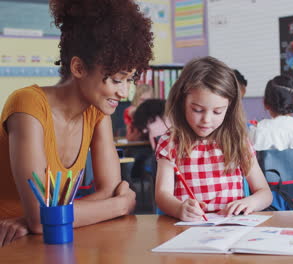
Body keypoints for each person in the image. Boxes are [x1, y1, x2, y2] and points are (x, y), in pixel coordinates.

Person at [0, 0, 153, 246]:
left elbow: (110, 190)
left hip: (54, 239)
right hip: (10, 243)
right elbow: (41, 219)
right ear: (79, 67)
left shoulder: (97, 112)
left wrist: (42, 218)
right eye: (116, 80)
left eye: (129, 80)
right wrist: (120, 205)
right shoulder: (27, 105)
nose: (124, 92)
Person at [155, 56, 272, 221]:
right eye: (197, 110)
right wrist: (179, 208)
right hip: (188, 231)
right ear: (182, 102)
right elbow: (162, 195)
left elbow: (265, 193)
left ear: (229, 109)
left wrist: (251, 202)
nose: (206, 120)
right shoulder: (171, 141)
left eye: (217, 112)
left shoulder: (237, 140)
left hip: (231, 229)